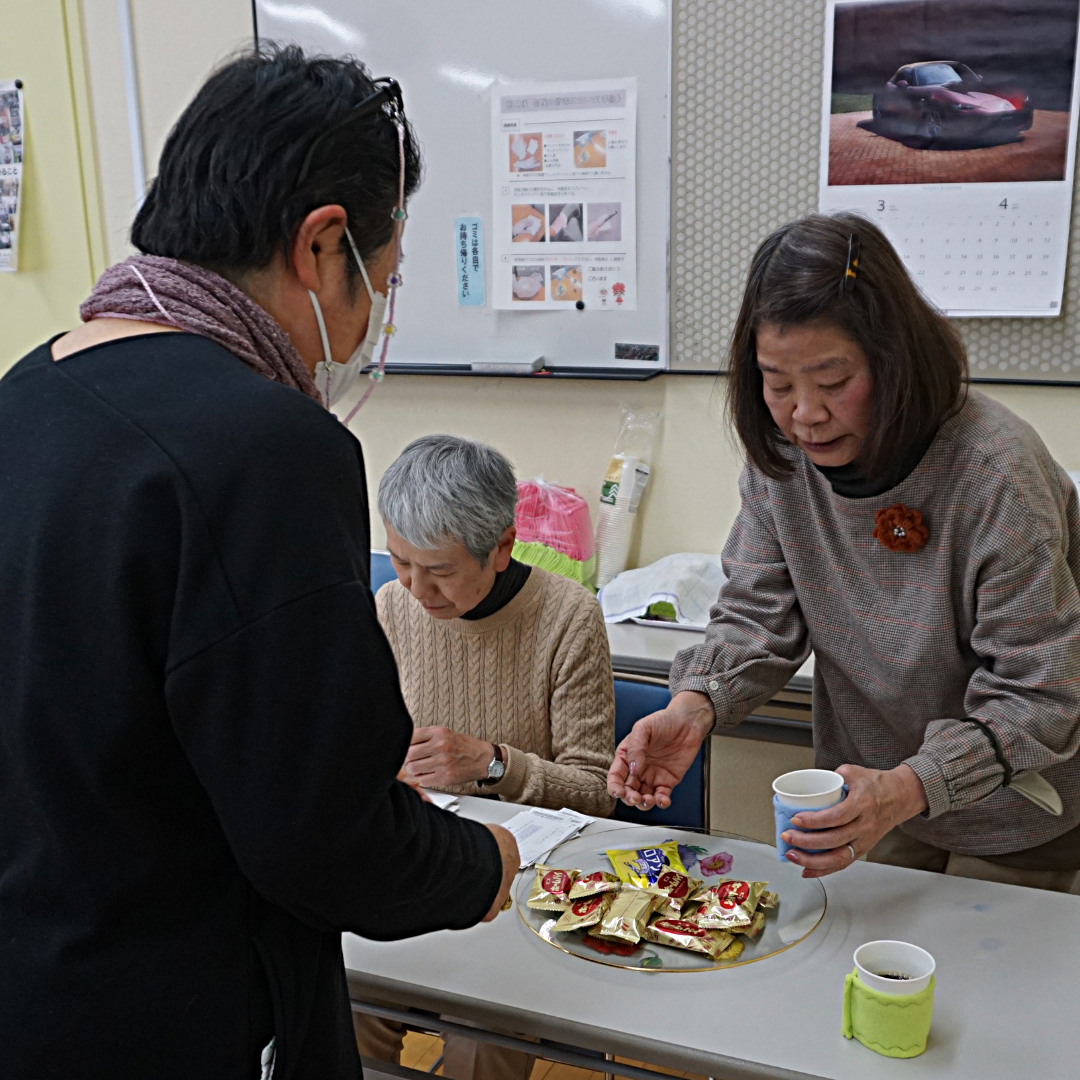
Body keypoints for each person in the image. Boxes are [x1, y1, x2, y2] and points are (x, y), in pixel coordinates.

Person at [0, 46, 518, 1080]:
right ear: (322, 245)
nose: (365, 328)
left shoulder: (26, 395)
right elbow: (322, 836)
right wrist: (481, 865)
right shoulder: (267, 447)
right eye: (382, 283)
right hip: (181, 1012)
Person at [608, 213, 1080, 894]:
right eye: (777, 383)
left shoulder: (994, 471)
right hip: (871, 793)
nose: (805, 414)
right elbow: (757, 614)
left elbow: (1040, 691)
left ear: (895, 361)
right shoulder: (783, 463)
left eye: (832, 382)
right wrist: (694, 704)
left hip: (1019, 811)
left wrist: (910, 786)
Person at [355, 434, 615, 1080]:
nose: (416, 588)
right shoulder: (390, 606)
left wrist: (494, 763)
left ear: (501, 547)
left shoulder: (568, 617)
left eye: (439, 571)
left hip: (524, 884)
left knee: (479, 1032)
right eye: (400, 561)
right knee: (349, 1003)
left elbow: (596, 791)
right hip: (420, 859)